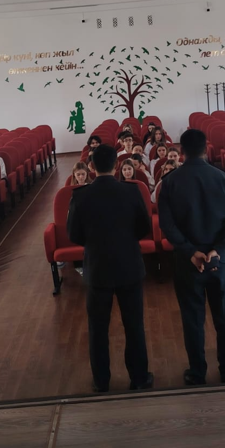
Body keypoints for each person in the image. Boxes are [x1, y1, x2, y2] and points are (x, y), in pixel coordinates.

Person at [158, 129, 225, 386]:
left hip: (188, 262)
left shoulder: (170, 182)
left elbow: (167, 224)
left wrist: (190, 251)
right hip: (221, 261)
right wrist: (218, 249)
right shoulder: (224, 178)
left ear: (181, 150)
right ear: (206, 148)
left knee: (192, 319)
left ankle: (197, 373)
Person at [66, 144, 154, 393]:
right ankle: (139, 378)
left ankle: (101, 381)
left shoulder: (80, 196)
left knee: (98, 329)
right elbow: (143, 228)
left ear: (92, 167)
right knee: (134, 326)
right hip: (129, 267)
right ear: (116, 165)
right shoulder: (132, 191)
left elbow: (74, 235)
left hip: (98, 269)